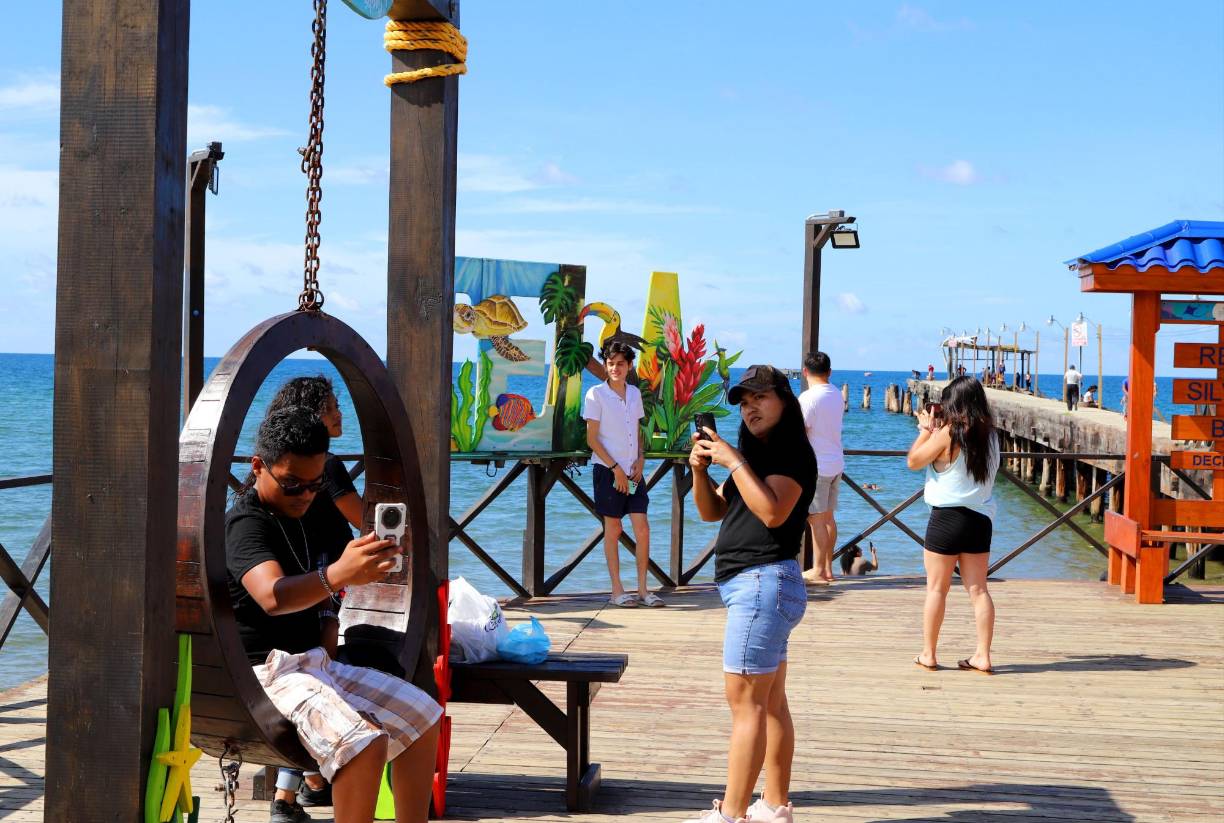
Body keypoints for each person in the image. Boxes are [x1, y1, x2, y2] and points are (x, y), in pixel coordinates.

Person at [227, 407, 442, 823]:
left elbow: (328, 583)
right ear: (258, 467)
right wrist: (337, 574)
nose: (305, 495)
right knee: (363, 745)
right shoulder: (246, 525)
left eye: (315, 484)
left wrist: (331, 612)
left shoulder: (309, 512)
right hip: (265, 673)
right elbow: (272, 595)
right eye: (292, 484)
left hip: (314, 662)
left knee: (424, 713)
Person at [683, 364, 816, 823]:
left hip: (763, 582)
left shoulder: (793, 452)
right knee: (770, 702)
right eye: (742, 402)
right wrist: (700, 469)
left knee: (746, 703)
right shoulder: (751, 455)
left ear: (784, 399)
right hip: (761, 586)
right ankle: (774, 806)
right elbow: (711, 510)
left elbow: (774, 513)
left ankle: (731, 813)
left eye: (759, 397)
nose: (749, 407)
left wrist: (732, 461)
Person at [262, 377, 365, 819]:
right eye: (331, 407)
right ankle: (297, 789)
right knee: (320, 678)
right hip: (324, 581)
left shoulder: (279, 478)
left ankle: (308, 782)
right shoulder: (330, 470)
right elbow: (362, 518)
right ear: (311, 416)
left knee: (307, 680)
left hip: (299, 578)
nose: (339, 414)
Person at [906, 377, 999, 675]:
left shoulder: (949, 432)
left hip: (946, 518)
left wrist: (924, 431)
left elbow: (914, 461)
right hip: (979, 519)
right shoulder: (991, 435)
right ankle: (982, 655)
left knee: (936, 589)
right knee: (979, 591)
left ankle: (928, 653)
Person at [584, 340, 662, 607]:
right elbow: (592, 439)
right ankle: (617, 590)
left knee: (643, 529)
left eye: (620, 363)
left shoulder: (634, 394)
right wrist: (615, 469)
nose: (615, 368)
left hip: (633, 472)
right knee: (614, 528)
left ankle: (643, 589)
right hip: (607, 471)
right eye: (610, 363)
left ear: (629, 366)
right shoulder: (595, 394)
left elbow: (638, 432)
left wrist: (640, 459)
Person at [797, 351, 844, 586]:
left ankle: (818, 569)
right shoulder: (836, 394)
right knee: (828, 518)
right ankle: (827, 569)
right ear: (830, 372)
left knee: (816, 520)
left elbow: (800, 432)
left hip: (817, 466)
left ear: (805, 372)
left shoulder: (808, 398)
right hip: (836, 462)